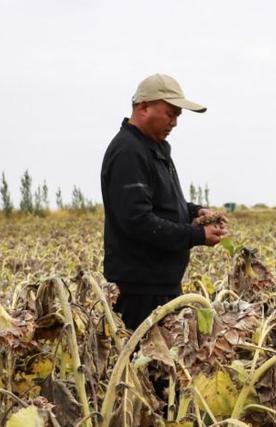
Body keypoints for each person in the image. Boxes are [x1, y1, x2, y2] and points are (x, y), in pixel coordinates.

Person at [101, 73, 226, 329]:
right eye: (170, 114)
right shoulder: (128, 151)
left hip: (160, 285)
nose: (175, 123)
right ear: (144, 106)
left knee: (163, 363)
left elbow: (163, 204)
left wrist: (194, 211)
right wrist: (197, 236)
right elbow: (138, 221)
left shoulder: (153, 147)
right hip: (139, 290)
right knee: (142, 364)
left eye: (178, 116)